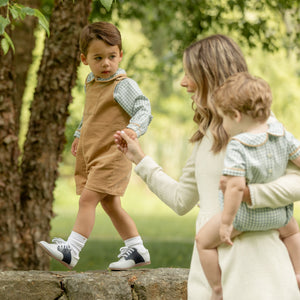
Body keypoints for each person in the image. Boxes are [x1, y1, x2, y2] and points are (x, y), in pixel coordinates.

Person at [114, 34, 300, 300]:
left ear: (210, 75)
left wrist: (251, 197)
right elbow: (181, 201)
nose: (183, 82)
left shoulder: (262, 125)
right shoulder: (204, 136)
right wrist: (139, 159)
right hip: (212, 281)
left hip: (262, 273)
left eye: (190, 74)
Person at [38, 22, 153, 270]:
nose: (106, 63)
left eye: (112, 56)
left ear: (120, 54)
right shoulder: (92, 81)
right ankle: (137, 248)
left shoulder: (123, 85)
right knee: (110, 204)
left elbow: (143, 107)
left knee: (87, 199)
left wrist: (133, 129)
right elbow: (90, 114)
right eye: (98, 58)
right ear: (84, 59)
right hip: (95, 152)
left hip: (114, 154)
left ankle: (72, 249)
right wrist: (80, 134)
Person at [195, 72, 300, 300]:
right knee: (294, 231)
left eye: (224, 118)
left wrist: (226, 222)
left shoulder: (238, 145)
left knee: (203, 241)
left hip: (244, 217)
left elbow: (235, 188)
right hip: (279, 215)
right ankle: (299, 271)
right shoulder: (282, 134)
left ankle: (216, 289)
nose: (223, 123)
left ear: (236, 115)